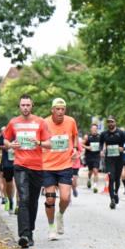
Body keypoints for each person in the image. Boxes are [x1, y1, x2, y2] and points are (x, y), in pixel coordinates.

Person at [3, 94, 52, 248]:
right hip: (20, 165)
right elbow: (4, 140)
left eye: (28, 105)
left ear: (32, 106)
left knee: (33, 201)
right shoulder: (13, 122)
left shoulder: (40, 122)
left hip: (37, 166)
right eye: (22, 105)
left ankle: (30, 231)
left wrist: (38, 142)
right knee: (23, 198)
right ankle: (24, 234)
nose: (25, 107)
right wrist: (10, 145)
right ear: (19, 106)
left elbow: (49, 144)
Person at [41, 98, 79, 241]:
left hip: (65, 165)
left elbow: (75, 136)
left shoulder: (71, 121)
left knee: (65, 198)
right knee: (50, 199)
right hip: (48, 166)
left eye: (63, 109)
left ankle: (60, 214)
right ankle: (51, 228)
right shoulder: (44, 123)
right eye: (57, 109)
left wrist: (75, 148)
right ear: (52, 110)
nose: (60, 112)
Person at [99, 116, 125, 209]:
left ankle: (116, 193)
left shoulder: (121, 133)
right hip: (109, 160)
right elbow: (100, 143)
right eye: (108, 122)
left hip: (119, 159)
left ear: (115, 123)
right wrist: (101, 151)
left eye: (112, 122)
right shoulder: (104, 134)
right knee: (111, 178)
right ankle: (112, 200)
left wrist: (123, 148)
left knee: (117, 179)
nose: (110, 124)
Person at [0, 135, 16, 215]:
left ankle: (19, 205)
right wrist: (9, 146)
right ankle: (10, 200)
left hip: (20, 163)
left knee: (20, 184)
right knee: (8, 184)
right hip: (7, 164)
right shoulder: (3, 136)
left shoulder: (22, 133)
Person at [84, 123, 102, 192]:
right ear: (91, 129)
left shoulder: (100, 137)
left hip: (97, 156)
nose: (94, 130)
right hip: (89, 156)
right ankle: (89, 179)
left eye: (95, 129)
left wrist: (102, 150)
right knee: (90, 171)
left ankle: (95, 186)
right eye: (93, 129)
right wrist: (87, 147)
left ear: (97, 130)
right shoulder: (87, 137)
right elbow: (81, 144)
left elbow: (103, 144)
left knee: (95, 171)